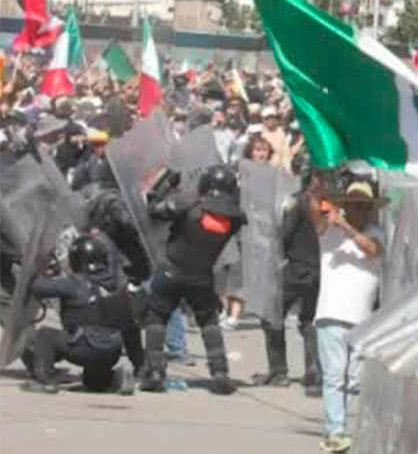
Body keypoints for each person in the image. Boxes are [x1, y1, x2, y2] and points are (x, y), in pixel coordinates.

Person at [138, 165, 244, 395]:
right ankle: (220, 372)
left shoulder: (189, 205)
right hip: (201, 276)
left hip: (172, 271)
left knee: (156, 317)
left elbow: (154, 211)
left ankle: (155, 371)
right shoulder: (235, 217)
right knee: (209, 322)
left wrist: (164, 188)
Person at [313, 178, 386, 454]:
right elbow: (314, 216)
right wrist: (317, 191)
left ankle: (349, 426)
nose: (357, 210)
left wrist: (345, 225)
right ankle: (335, 430)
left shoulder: (376, 232)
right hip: (331, 312)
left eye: (362, 205)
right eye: (352, 204)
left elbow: (372, 250)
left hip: (362, 318)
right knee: (334, 377)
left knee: (355, 379)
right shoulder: (328, 232)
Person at [20, 235, 132, 395]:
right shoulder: (113, 284)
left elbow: (37, 287)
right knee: (92, 382)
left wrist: (41, 271)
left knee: (45, 335)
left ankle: (45, 380)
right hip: (112, 351)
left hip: (86, 346)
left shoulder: (74, 283)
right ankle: (116, 378)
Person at [251, 164, 321, 395]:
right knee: (309, 320)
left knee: (271, 316)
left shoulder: (297, 201)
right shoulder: (328, 204)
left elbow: (285, 234)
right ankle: (314, 372)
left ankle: (279, 371)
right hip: (319, 271)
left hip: (296, 269)